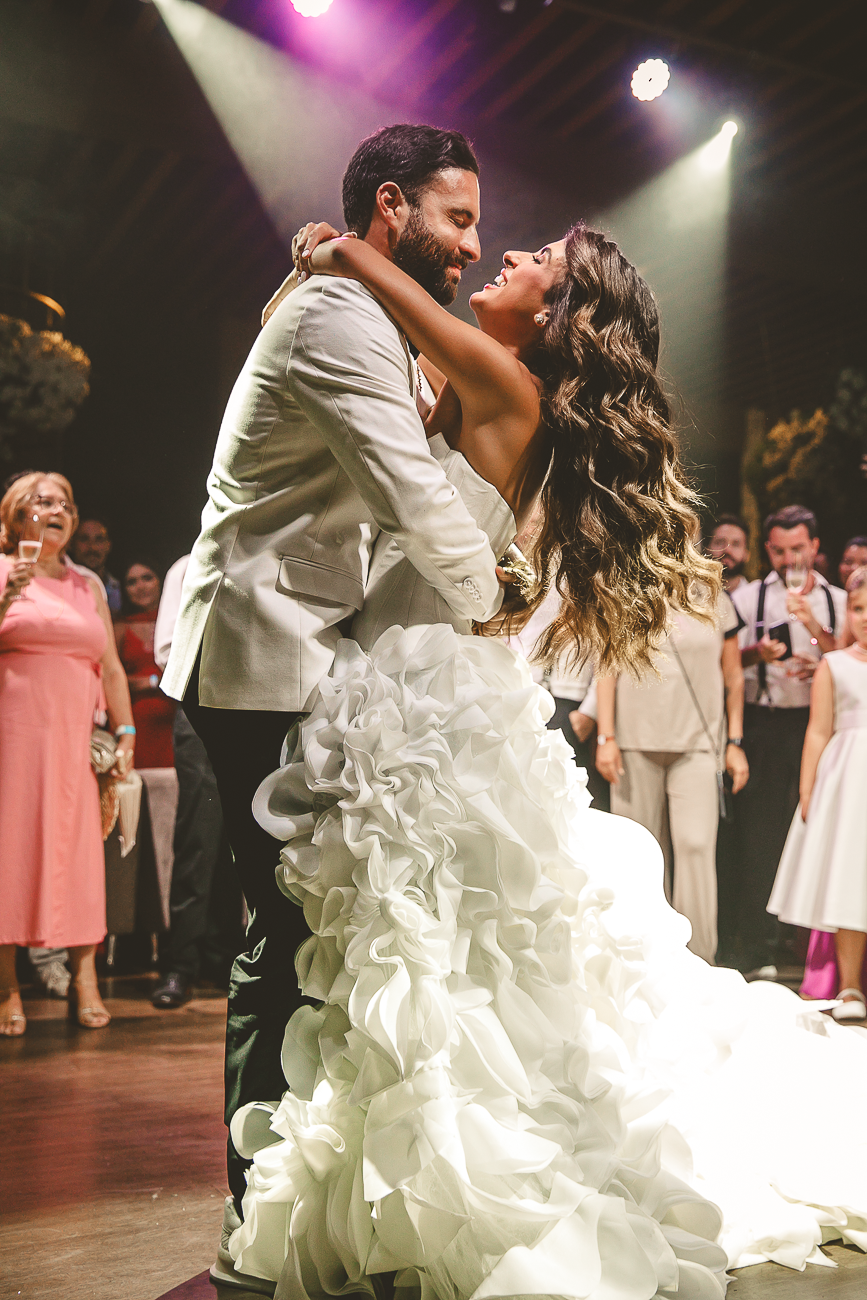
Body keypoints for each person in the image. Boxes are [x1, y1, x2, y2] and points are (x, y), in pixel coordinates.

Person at [213, 222, 867, 1298]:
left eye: (537, 262)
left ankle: (450, 1158)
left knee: (438, 946)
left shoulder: (496, 374)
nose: (505, 256)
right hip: (441, 678)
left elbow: (376, 281)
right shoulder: (503, 389)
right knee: (452, 948)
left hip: (425, 686)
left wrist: (335, 246)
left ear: (558, 314)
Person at [161, 126, 510, 1217]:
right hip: (258, 650)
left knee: (314, 920)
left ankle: (308, 1182)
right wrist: (496, 598)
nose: (473, 245)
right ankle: (259, 1198)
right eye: (459, 218)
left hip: (305, 650)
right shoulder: (337, 319)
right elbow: (409, 491)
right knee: (285, 925)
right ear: (391, 206)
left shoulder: (363, 314)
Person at [0, 473, 135, 1035]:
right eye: (43, 501)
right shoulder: (2, 570)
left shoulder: (87, 585)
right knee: (10, 851)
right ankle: (6, 984)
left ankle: (85, 978)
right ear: (15, 516)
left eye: (65, 503)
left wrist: (126, 732)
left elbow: (111, 666)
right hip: (12, 736)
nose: (57, 509)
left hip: (74, 741)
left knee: (80, 855)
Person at [592, 595, 748, 963]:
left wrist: (735, 741)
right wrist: (606, 736)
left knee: (696, 846)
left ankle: (699, 958)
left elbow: (733, 675)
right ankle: (641, 957)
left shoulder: (715, 596)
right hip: (633, 740)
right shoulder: (627, 587)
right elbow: (606, 666)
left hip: (700, 742)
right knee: (638, 852)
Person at [730, 504, 847, 977]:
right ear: (768, 550)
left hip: (820, 727)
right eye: (779, 551)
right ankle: (757, 945)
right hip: (765, 721)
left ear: (815, 546)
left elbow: (853, 660)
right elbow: (725, 662)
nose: (789, 560)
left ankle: (806, 949)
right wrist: (756, 654)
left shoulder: (839, 601)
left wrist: (817, 643)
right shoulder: (748, 599)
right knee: (759, 834)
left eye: (798, 548)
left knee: (814, 828)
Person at [768, 567, 867, 1020]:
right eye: (859, 609)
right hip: (849, 781)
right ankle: (849, 986)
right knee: (850, 878)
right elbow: (817, 732)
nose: (865, 617)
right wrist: (808, 788)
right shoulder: (835, 665)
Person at [151, 556, 243, 1008]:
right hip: (200, 704)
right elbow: (167, 649)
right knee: (198, 838)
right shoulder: (188, 565)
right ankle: (180, 962)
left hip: (253, 711)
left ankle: (224, 957)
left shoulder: (263, 553)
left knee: (241, 841)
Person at [114, 560, 175, 768]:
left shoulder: (180, 624)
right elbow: (110, 676)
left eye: (147, 578)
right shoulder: (120, 627)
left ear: (161, 580)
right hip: (136, 723)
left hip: (177, 722)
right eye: (132, 582)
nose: (140, 586)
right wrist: (153, 681)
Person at [68, 515, 122, 614]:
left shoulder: (122, 590)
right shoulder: (62, 588)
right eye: (84, 539)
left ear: (108, 545)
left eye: (99, 539)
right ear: (71, 544)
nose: (92, 547)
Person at [707, 513, 750, 596]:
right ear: (707, 548)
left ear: (747, 554)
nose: (727, 550)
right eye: (720, 542)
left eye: (736, 544)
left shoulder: (755, 598)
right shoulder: (690, 595)